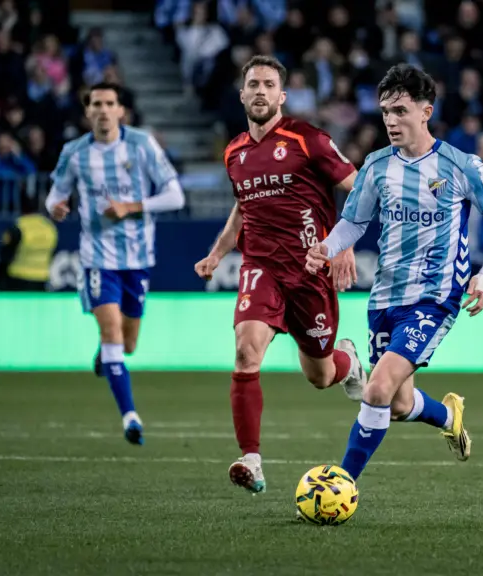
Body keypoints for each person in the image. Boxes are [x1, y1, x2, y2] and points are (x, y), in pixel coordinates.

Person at [305, 64, 483, 481]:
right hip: (385, 298)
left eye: (400, 111)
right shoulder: (376, 166)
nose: (390, 120)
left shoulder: (461, 165)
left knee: (377, 388)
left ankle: (341, 485)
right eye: (385, 111)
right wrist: (326, 248)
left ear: (426, 112)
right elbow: (354, 222)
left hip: (435, 298)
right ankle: (448, 416)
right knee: (398, 405)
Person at [194, 55, 367, 495]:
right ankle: (251, 460)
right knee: (246, 351)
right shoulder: (234, 153)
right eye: (253, 84)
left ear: (282, 96)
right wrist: (216, 253)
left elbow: (360, 187)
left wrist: (343, 242)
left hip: (310, 270)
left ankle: (349, 363)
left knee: (320, 376)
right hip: (261, 266)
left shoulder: (308, 139)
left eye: (268, 84)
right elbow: (242, 208)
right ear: (242, 95)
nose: (260, 91)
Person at [45, 82, 185, 446]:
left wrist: (132, 207)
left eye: (110, 103)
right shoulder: (74, 152)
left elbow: (175, 196)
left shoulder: (141, 145)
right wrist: (55, 208)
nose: (103, 110)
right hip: (97, 258)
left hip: (137, 258)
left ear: (121, 110)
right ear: (87, 111)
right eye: (96, 104)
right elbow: (55, 195)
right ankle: (130, 417)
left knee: (128, 344)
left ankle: (106, 357)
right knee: (111, 333)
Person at [0, 195, 58, 291]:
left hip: (17, 280)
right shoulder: (50, 228)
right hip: (42, 280)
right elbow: (54, 252)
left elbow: (5, 255)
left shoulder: (18, 227)